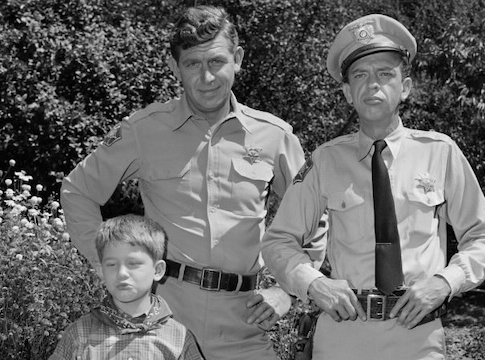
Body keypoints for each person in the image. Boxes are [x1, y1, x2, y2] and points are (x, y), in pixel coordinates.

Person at [60, 5, 325, 359]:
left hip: (244, 325)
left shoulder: (274, 136)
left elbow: (315, 214)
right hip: (160, 321)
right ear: (175, 68)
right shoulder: (144, 130)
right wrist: (109, 264)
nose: (207, 77)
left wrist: (289, 291)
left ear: (238, 59)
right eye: (192, 64)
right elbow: (78, 190)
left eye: (216, 61)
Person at [261, 14, 485, 359]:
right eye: (360, 75)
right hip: (344, 333)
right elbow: (278, 242)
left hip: (417, 336)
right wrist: (314, 284)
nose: (372, 84)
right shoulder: (326, 160)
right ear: (347, 93)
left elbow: (483, 236)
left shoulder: (440, 152)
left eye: (385, 74)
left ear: (405, 87)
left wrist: (446, 282)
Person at [49, 214, 204, 359]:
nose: (122, 273)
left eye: (133, 264)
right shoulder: (79, 334)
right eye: (111, 264)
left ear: (157, 270)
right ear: (101, 271)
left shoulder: (178, 338)